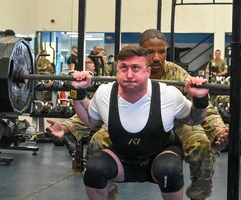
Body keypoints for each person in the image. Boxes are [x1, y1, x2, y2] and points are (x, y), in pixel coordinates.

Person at [47, 29, 229, 200]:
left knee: (199, 143)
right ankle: (108, 189)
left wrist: (217, 130)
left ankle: (200, 187)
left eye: (162, 52)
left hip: (175, 121)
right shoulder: (120, 75)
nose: (157, 57)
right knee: (96, 144)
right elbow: (97, 109)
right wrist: (66, 126)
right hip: (126, 121)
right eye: (151, 52)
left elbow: (200, 110)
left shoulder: (176, 75)